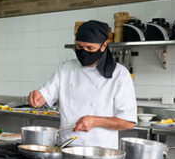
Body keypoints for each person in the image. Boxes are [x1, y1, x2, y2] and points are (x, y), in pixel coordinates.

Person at [27, 20, 136, 149]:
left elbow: (128, 122)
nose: (84, 52)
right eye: (79, 47)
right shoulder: (65, 68)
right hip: (67, 149)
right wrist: (37, 98)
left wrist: (95, 121)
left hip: (100, 153)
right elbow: (44, 97)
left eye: (90, 48)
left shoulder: (119, 74)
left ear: (104, 45)